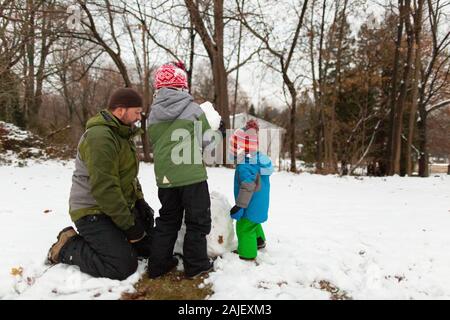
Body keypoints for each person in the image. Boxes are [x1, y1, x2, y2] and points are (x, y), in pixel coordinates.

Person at [46, 88, 154, 280]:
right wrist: (129, 226)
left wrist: (139, 202)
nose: (139, 116)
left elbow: (128, 177)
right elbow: (105, 189)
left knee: (150, 246)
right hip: (92, 211)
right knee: (122, 266)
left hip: (112, 207)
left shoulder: (122, 134)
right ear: (121, 111)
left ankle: (120, 240)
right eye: (136, 112)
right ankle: (67, 246)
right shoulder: (100, 138)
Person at [147, 61, 223, 279]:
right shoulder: (193, 110)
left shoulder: (153, 114)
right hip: (191, 176)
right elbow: (208, 141)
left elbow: (154, 139)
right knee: (197, 220)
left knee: (168, 219)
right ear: (183, 86)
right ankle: (196, 264)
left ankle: (158, 265)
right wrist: (221, 132)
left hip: (165, 177)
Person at [229, 120, 274, 261]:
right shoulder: (260, 158)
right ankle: (259, 241)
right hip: (260, 202)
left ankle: (247, 253)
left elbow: (247, 187)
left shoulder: (245, 165)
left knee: (244, 226)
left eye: (234, 147)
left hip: (250, 203)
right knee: (254, 222)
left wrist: (240, 206)